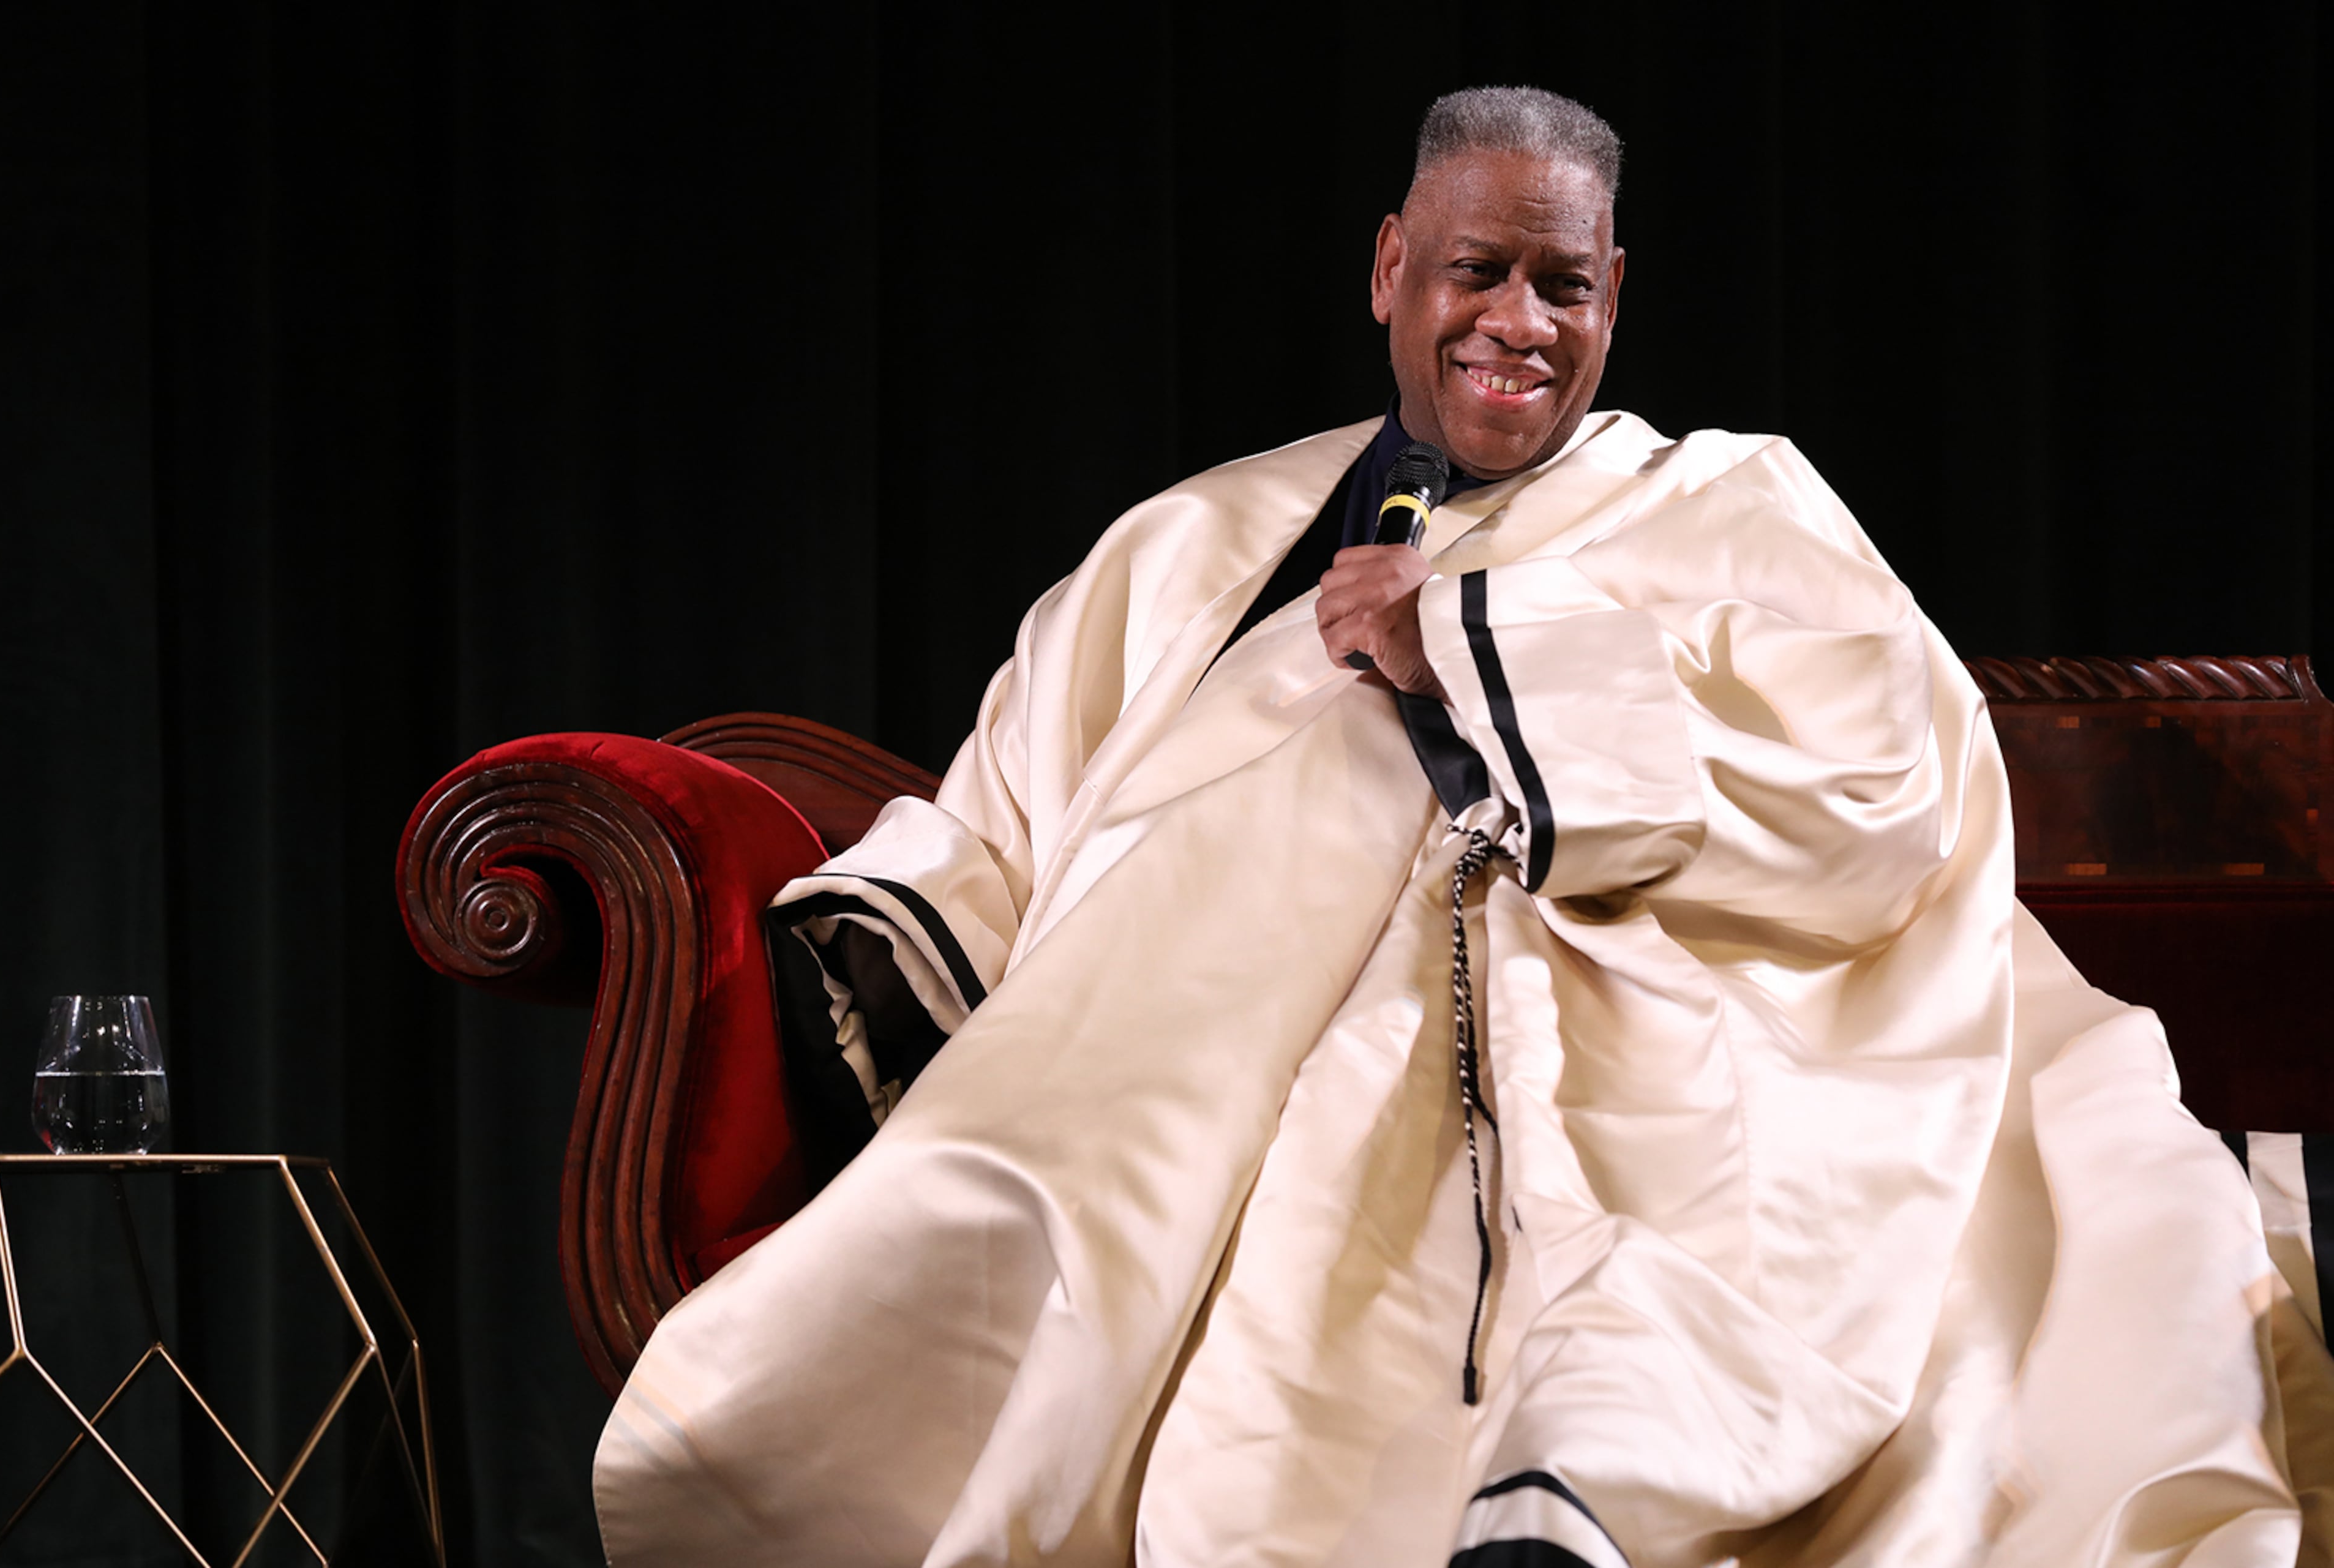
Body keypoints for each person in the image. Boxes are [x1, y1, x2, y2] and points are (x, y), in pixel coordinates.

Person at [591, 88, 2317, 1567]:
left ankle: (1575, 1479)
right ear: (1389, 271)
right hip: (1243, 1050)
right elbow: (1020, 801)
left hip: (1692, 1014)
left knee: (2050, 1257)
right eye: (1476, 271)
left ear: (1619, 294)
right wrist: (897, 934)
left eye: (1563, 283)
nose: (1520, 323)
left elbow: (1883, 777)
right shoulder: (1199, 541)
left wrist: (1486, 660)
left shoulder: (1738, 503)